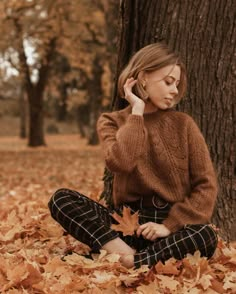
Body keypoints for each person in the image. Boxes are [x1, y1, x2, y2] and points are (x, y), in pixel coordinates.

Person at [48, 43, 218, 269]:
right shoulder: (111, 121)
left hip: (168, 230)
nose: (175, 91)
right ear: (143, 78)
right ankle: (129, 255)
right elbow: (120, 162)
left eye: (177, 84)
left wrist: (169, 226)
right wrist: (136, 112)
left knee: (205, 235)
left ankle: (132, 261)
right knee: (61, 199)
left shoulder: (184, 125)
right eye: (168, 82)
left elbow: (206, 186)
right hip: (123, 227)